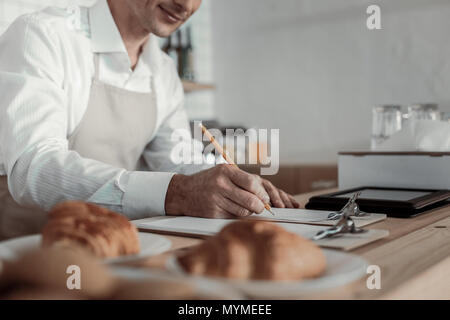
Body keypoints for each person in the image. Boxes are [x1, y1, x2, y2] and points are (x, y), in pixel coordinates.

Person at [0, 0, 298, 240]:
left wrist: (234, 186)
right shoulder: (42, 35)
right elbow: (34, 167)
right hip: (27, 253)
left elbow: (178, 161)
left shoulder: (163, 71)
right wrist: (178, 192)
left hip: (111, 246)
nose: (186, 5)